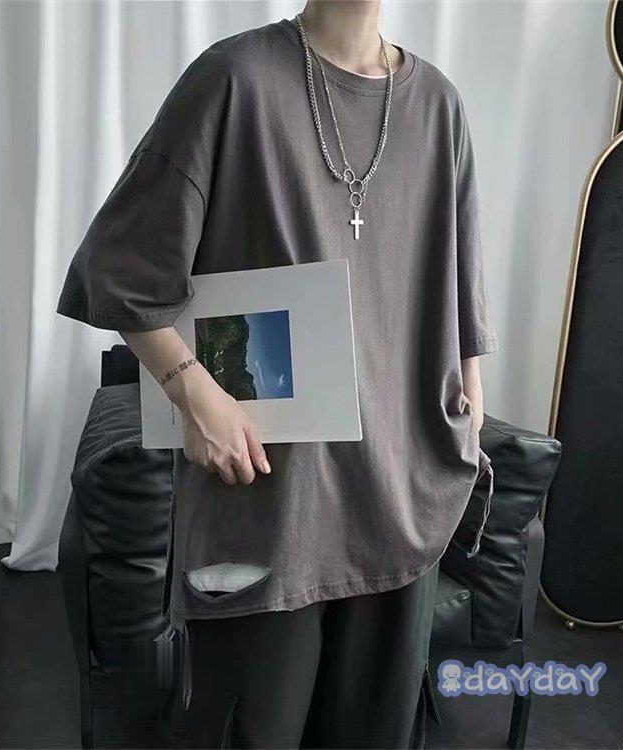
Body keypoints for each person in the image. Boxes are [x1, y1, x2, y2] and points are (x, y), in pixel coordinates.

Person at [57, 1, 498, 747]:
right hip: (268, 499)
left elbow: (461, 280)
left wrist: (469, 399)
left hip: (404, 499)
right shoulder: (233, 79)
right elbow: (120, 268)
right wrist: (192, 392)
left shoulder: (438, 106)